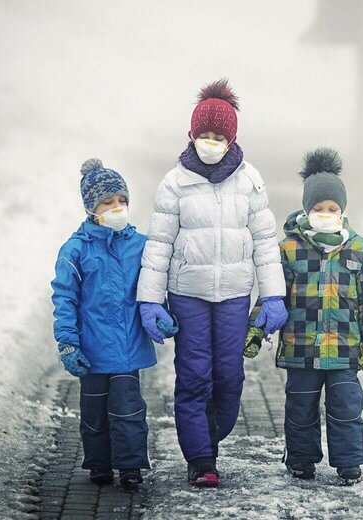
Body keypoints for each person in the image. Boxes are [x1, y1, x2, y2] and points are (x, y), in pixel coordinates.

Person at [137, 79, 288, 487]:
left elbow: (265, 243)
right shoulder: (175, 183)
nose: (210, 141)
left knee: (229, 376)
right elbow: (159, 245)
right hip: (188, 294)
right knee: (194, 375)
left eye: (218, 135)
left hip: (235, 295)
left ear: (231, 138)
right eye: (204, 134)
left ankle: (210, 434)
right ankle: (201, 458)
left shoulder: (250, 181)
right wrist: (150, 302)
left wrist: (273, 294)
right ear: (191, 134)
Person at [248, 148, 363, 484]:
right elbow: (272, 293)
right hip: (301, 349)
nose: (325, 213)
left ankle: (349, 461)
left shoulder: (359, 249)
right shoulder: (289, 249)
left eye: (332, 209)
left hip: (344, 349)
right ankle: (300, 459)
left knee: (346, 408)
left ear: (342, 210)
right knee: (300, 409)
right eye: (318, 208)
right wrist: (255, 327)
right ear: (307, 209)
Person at [51, 158, 159, 491]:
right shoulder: (76, 250)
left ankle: (130, 466)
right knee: (94, 411)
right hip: (93, 349)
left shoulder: (140, 245)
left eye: (122, 201)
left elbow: (154, 285)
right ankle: (99, 464)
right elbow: (64, 298)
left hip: (128, 346)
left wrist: (162, 312)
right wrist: (68, 342)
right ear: (92, 208)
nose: (117, 208)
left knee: (128, 410)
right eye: (108, 202)